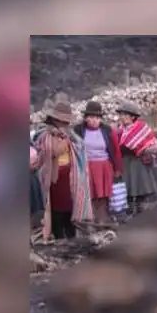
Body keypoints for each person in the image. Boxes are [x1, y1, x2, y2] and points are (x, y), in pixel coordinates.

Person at [34, 99, 93, 241]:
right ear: (55, 120)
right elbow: (51, 151)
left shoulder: (70, 136)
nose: (65, 125)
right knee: (57, 208)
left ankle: (71, 232)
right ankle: (58, 233)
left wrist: (69, 140)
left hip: (69, 177)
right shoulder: (45, 135)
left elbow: (81, 148)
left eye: (66, 122)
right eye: (62, 121)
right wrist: (65, 141)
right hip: (54, 178)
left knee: (69, 206)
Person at [72, 101, 122, 225]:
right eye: (91, 117)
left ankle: (104, 219)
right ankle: (91, 219)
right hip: (87, 166)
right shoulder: (78, 130)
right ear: (86, 118)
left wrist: (118, 168)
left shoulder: (107, 130)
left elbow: (115, 151)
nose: (95, 120)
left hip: (104, 166)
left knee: (104, 195)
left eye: (97, 118)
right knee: (90, 194)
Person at [115, 101, 157, 214]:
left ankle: (141, 213)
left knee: (140, 188)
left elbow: (154, 146)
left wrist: (142, 149)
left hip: (138, 162)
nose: (122, 117)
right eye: (121, 114)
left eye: (125, 114)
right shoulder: (118, 130)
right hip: (125, 162)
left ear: (132, 117)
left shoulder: (142, 129)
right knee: (127, 189)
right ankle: (129, 212)